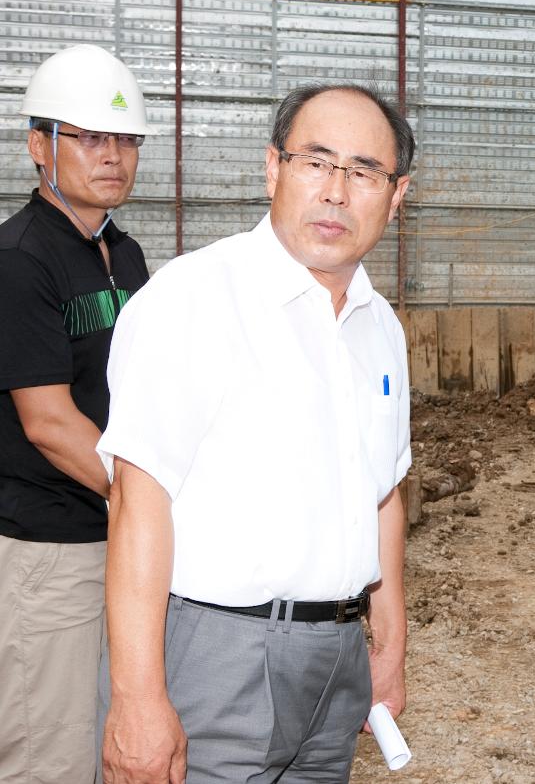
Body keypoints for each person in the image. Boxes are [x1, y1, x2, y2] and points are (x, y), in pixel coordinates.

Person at [96, 84, 414, 783]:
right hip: (215, 651)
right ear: (273, 169)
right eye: (315, 163)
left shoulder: (380, 328)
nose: (336, 191)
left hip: (335, 658)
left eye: (364, 172)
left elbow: (384, 494)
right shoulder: (192, 300)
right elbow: (136, 503)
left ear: (396, 196)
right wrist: (137, 696)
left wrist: (387, 647)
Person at [0, 44, 153, 784]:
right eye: (90, 137)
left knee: (115, 738)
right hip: (50, 550)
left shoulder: (124, 255)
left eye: (126, 139)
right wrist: (147, 497)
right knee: (49, 753)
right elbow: (49, 422)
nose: (113, 156)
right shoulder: (19, 259)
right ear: (39, 145)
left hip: (117, 535)